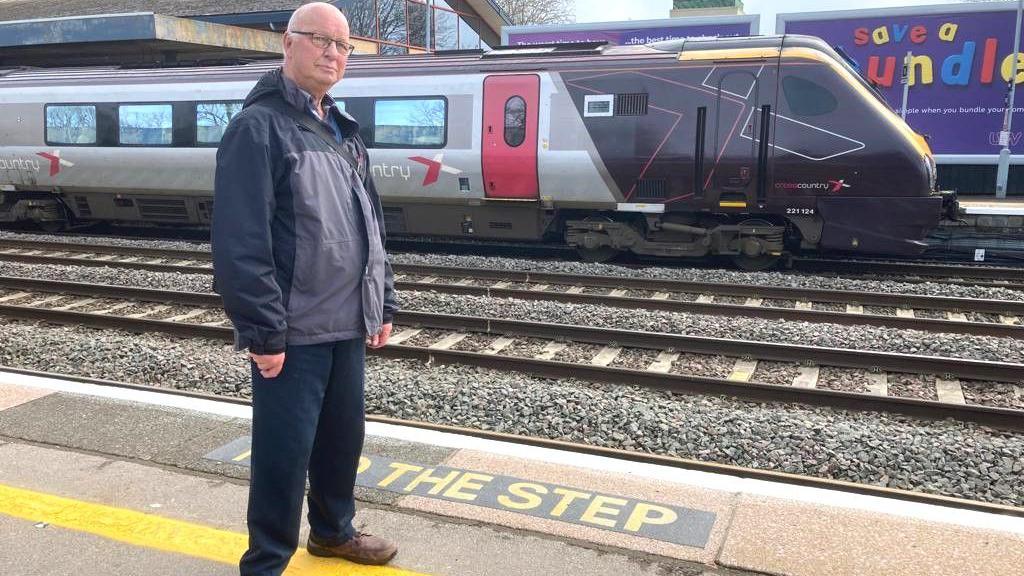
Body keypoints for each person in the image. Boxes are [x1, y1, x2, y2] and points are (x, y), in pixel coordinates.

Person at [211, 3, 398, 573]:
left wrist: (382, 301)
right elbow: (242, 241)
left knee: (343, 441)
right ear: (287, 45)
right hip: (292, 329)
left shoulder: (343, 131)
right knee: (283, 454)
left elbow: (371, 226)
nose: (332, 53)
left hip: (347, 321)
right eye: (320, 39)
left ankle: (333, 532)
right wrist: (264, 331)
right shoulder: (257, 128)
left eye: (342, 45)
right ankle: (266, 559)